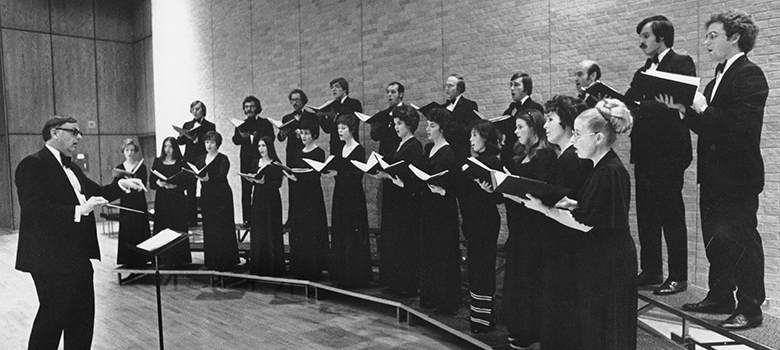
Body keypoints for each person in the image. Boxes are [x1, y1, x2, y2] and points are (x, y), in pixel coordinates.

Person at [664, 10, 768, 330]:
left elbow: (738, 129)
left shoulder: (750, 75)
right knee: (715, 238)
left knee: (741, 239)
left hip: (738, 177)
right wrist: (683, 110)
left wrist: (702, 106)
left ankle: (750, 307)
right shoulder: (714, 81)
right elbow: (709, 128)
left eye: (713, 36)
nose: (706, 42)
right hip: (713, 175)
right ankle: (721, 295)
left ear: (734, 38)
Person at [15, 115, 145, 350]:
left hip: (78, 254)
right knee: (52, 320)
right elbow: (34, 211)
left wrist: (121, 186)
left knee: (82, 320)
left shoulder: (72, 166)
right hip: (49, 258)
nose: (79, 137)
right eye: (74, 132)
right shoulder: (31, 164)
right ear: (55, 133)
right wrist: (78, 210)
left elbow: (96, 191)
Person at [520, 99, 637, 349]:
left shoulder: (610, 171)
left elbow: (588, 223)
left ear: (598, 138)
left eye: (579, 134)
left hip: (610, 262)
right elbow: (594, 210)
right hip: (600, 259)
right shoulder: (600, 168)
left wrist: (545, 209)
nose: (573, 141)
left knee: (607, 331)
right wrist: (569, 205)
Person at [626, 15, 695, 295]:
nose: (641, 41)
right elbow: (629, 100)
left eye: (645, 35)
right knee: (646, 214)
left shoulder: (681, 63)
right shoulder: (643, 71)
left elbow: (682, 101)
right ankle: (652, 270)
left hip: (669, 152)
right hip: (644, 150)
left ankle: (678, 275)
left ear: (661, 37)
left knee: (670, 213)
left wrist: (649, 105)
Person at [500, 109, 556, 349]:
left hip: (534, 228)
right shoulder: (522, 154)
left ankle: (529, 331)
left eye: (520, 127)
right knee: (518, 278)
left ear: (535, 128)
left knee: (528, 280)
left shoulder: (544, 156)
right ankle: (518, 328)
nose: (516, 131)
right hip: (519, 226)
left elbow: (541, 193)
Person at [539, 95, 592, 348]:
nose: (545, 125)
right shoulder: (566, 156)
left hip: (566, 247)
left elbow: (567, 202)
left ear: (567, 124)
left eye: (550, 119)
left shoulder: (571, 158)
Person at [372, 104, 424, 298]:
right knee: (393, 242)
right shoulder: (399, 144)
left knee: (405, 243)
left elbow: (416, 178)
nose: (395, 127)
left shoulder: (414, 146)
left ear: (409, 124)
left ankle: (406, 285)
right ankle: (394, 282)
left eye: (399, 123)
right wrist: (384, 174)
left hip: (406, 202)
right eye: (394, 123)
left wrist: (399, 180)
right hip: (394, 198)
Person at [414, 108, 461, 315]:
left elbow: (452, 182)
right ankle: (430, 296)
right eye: (427, 124)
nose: (427, 128)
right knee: (428, 252)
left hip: (442, 211)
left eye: (432, 125)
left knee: (443, 254)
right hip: (427, 207)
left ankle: (445, 300)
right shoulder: (428, 149)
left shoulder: (448, 152)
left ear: (442, 128)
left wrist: (444, 188)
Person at [461, 120, 503, 333]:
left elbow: (501, 197)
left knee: (484, 269)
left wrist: (491, 191)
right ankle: (477, 317)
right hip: (474, 220)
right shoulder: (474, 161)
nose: (471, 140)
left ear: (485, 137)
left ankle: (485, 319)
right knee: (476, 269)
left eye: (474, 135)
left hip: (486, 221)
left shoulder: (492, 162)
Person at [328, 114, 372, 288]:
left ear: (351, 129)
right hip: (340, 194)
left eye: (343, 128)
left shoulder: (358, 149)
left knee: (352, 232)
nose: (340, 131)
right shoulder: (339, 149)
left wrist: (338, 174)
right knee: (340, 230)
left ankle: (354, 276)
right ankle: (341, 274)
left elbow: (357, 175)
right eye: (338, 128)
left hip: (353, 195)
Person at [286, 119, 330, 281]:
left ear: (314, 134)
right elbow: (295, 172)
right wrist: (291, 175)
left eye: (306, 133)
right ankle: (300, 267)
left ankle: (313, 268)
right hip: (299, 196)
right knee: (300, 230)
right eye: (302, 133)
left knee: (312, 230)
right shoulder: (298, 151)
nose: (303, 136)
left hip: (312, 196)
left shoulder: (318, 152)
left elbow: (316, 173)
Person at [195, 131, 239, 271]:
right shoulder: (201, 158)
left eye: (212, 142)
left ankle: (226, 261)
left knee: (222, 226)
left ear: (217, 144)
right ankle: (212, 260)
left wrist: (209, 179)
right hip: (207, 195)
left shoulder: (223, 158)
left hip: (221, 196)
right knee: (209, 226)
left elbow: (221, 175)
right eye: (207, 142)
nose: (209, 145)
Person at [245, 136, 286, 276]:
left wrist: (265, 182)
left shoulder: (276, 163)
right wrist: (251, 178)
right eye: (259, 146)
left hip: (271, 199)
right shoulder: (255, 162)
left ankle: (273, 268)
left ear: (269, 147)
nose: (261, 149)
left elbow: (278, 183)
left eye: (263, 145)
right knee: (259, 230)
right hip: (258, 198)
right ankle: (259, 267)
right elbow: (253, 179)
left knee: (271, 229)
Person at [232, 96, 274, 228]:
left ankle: (262, 218)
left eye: (251, 106)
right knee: (246, 190)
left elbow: (271, 138)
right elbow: (235, 140)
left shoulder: (265, 123)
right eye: (246, 107)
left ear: (257, 108)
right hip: (246, 160)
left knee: (262, 188)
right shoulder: (241, 124)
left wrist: (258, 136)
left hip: (261, 159)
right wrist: (241, 136)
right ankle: (247, 220)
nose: (249, 109)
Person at [149, 136, 192, 268]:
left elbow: (188, 182)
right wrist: (159, 183)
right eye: (165, 146)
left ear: (175, 148)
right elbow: (151, 183)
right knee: (163, 225)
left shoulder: (181, 162)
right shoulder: (157, 161)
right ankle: (162, 258)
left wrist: (175, 186)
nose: (168, 149)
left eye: (171, 147)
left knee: (177, 226)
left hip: (177, 199)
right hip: (162, 199)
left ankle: (179, 258)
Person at [113, 138, 152, 268]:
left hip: (138, 202)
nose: (129, 152)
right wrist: (125, 184)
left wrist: (134, 182)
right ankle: (128, 260)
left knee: (139, 229)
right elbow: (115, 186)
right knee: (127, 229)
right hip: (126, 202)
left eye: (132, 150)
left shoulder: (141, 166)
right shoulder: (119, 168)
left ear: (135, 151)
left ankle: (142, 260)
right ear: (123, 151)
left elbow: (143, 185)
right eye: (127, 150)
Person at [176, 100, 216, 226]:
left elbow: (211, 141)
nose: (195, 111)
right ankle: (191, 220)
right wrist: (183, 135)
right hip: (189, 160)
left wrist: (198, 140)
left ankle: (207, 218)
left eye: (197, 109)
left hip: (203, 160)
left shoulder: (210, 126)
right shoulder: (187, 124)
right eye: (193, 109)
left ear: (203, 110)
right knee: (190, 190)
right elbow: (180, 142)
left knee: (206, 188)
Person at [495, 72, 545, 167]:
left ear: (526, 88)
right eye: (511, 85)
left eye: (516, 85)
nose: (512, 88)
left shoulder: (534, 107)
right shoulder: (512, 107)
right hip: (508, 153)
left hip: (523, 154)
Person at [317, 77, 363, 155]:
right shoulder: (333, 106)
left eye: (337, 87)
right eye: (332, 88)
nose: (333, 89)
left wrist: (334, 117)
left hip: (349, 146)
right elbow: (328, 129)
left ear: (344, 89)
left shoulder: (354, 103)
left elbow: (352, 123)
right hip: (335, 147)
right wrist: (321, 117)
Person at [277, 89, 318, 165]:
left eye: (297, 100)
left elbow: (316, 134)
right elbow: (280, 138)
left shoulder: (312, 116)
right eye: (292, 100)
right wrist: (283, 134)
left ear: (303, 100)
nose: (294, 103)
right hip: (292, 154)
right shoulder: (287, 118)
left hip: (308, 152)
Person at [369, 82, 406, 158]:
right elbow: (375, 137)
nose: (389, 94)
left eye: (393, 92)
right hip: (384, 154)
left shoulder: (407, 112)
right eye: (388, 92)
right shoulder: (382, 114)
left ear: (401, 94)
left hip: (399, 154)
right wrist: (374, 131)